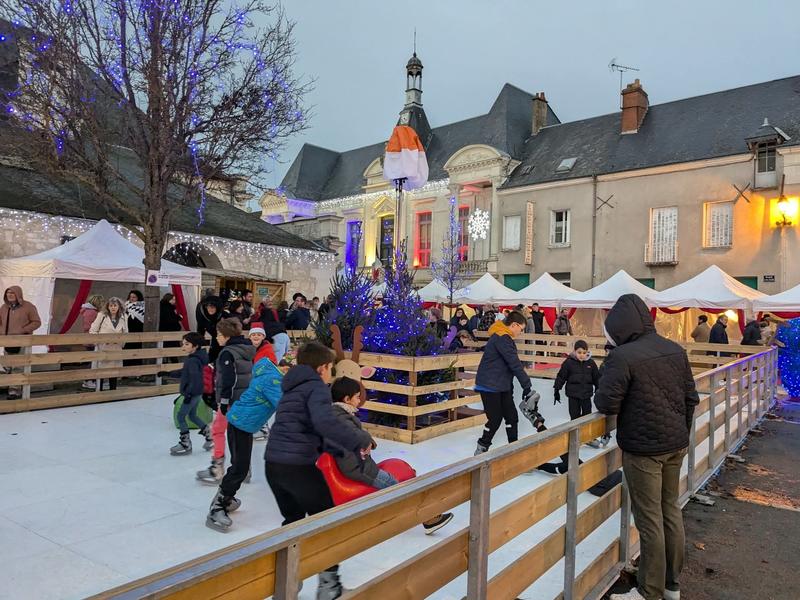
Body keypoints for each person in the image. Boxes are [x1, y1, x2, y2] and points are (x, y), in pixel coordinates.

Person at [594, 294, 699, 600]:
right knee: (670, 511)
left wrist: (610, 365)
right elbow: (691, 398)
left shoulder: (622, 357)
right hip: (675, 444)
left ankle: (648, 591)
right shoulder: (674, 349)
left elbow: (605, 402)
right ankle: (670, 585)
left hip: (643, 450)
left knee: (649, 518)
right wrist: (679, 431)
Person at [264, 341, 373, 600]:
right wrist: (358, 439)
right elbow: (325, 422)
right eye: (331, 368)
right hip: (297, 467)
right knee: (326, 522)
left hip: (274, 466)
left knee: (293, 523)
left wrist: (335, 450)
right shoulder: (316, 387)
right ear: (323, 367)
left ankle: (287, 581)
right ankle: (329, 585)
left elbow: (307, 427)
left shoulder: (292, 388)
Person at [327, 377, 454, 534]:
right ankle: (429, 519)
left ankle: (428, 515)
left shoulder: (338, 414)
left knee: (397, 483)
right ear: (346, 399)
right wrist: (367, 440)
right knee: (396, 486)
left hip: (358, 464)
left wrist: (366, 442)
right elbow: (357, 436)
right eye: (357, 397)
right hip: (360, 469)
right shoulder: (339, 417)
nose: (360, 400)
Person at [205, 318, 256, 531]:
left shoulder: (228, 353)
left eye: (218, 334)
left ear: (225, 335)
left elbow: (229, 380)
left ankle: (220, 503)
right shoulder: (248, 350)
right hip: (246, 407)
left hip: (235, 409)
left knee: (240, 463)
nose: (216, 338)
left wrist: (223, 404)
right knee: (241, 460)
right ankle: (226, 497)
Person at [474, 311, 532, 455]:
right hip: (489, 385)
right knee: (495, 419)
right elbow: (514, 364)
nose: (521, 332)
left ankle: (514, 450)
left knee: (512, 416)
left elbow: (507, 366)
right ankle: (482, 447)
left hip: (501, 385)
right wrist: (527, 385)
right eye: (521, 328)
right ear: (514, 325)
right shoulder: (502, 338)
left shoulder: (503, 336)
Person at [554, 339, 603, 447]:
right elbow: (561, 376)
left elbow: (596, 377)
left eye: (584, 353)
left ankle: (588, 437)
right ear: (575, 351)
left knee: (587, 416)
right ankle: (575, 439)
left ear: (587, 352)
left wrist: (599, 388)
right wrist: (556, 389)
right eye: (579, 352)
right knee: (574, 417)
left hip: (586, 395)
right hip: (573, 396)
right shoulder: (569, 363)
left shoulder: (591, 363)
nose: (582, 355)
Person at [171, 332, 213, 455]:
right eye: (183, 343)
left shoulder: (193, 361)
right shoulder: (197, 358)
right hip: (197, 392)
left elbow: (195, 378)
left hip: (193, 393)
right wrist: (168, 373)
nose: (183, 346)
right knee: (193, 415)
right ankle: (210, 436)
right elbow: (184, 373)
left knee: (181, 416)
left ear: (195, 346)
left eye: (187, 344)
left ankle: (185, 443)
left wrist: (189, 395)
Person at [0, 286, 42, 400]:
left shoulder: (28, 307)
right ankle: (6, 386)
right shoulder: (4, 307)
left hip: (22, 341)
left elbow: (37, 322)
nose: (9, 295)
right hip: (7, 341)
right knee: (7, 365)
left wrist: (23, 330)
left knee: (18, 366)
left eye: (12, 293)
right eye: (8, 292)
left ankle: (15, 390)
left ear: (18, 294)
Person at [89, 297, 128, 391]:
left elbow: (126, 332)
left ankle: (112, 392)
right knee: (101, 371)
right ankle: (100, 391)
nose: (113, 308)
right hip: (103, 347)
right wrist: (99, 342)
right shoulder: (102, 315)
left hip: (116, 348)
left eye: (115, 305)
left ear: (119, 307)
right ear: (108, 307)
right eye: (111, 306)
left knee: (114, 372)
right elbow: (93, 330)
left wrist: (122, 343)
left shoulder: (124, 317)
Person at [80, 294, 105, 390]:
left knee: (92, 361)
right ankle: (89, 380)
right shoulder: (93, 313)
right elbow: (89, 326)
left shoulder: (87, 311)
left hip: (89, 339)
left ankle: (90, 380)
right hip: (92, 339)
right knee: (93, 362)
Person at [197, 295, 224, 362]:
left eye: (212, 307)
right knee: (212, 357)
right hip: (215, 338)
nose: (210, 309)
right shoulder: (201, 314)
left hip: (224, 340)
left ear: (217, 308)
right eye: (208, 307)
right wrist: (198, 345)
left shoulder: (223, 315)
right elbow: (200, 329)